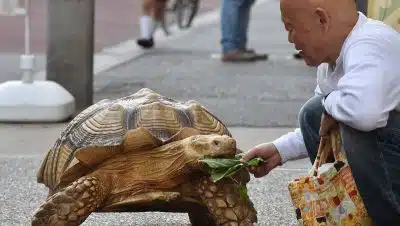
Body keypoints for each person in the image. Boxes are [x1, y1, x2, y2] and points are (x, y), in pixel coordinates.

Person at [241, 0, 400, 224]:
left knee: (351, 122)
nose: (290, 39)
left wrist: (331, 103)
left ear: (322, 20)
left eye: (291, 28)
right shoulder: (330, 64)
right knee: (314, 113)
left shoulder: (369, 43)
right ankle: (356, 208)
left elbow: (365, 115)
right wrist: (280, 150)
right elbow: (324, 120)